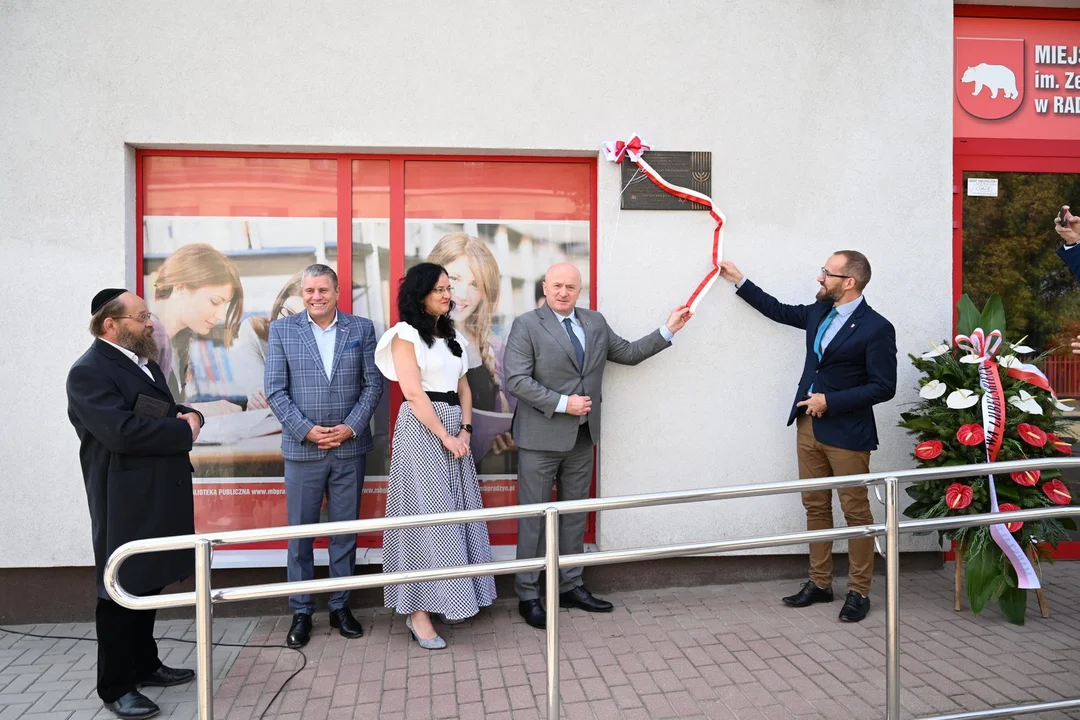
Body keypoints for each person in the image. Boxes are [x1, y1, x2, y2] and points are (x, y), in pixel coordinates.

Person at [504, 262, 691, 629]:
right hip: (540, 440)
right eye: (557, 285)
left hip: (582, 438)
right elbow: (517, 380)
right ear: (545, 287)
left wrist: (668, 329)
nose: (563, 292)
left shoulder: (594, 322)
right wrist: (564, 403)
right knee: (534, 519)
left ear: (580, 290)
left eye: (571, 287)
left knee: (575, 516)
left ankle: (570, 586)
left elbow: (630, 353)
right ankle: (528, 595)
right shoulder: (526, 325)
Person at [718, 251, 896, 623]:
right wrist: (739, 279)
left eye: (827, 273)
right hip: (807, 426)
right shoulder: (818, 312)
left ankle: (859, 591)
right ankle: (820, 582)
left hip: (847, 433)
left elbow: (883, 386)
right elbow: (778, 310)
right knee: (815, 507)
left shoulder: (876, 327)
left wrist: (830, 401)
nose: (819, 278)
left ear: (849, 282)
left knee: (856, 513)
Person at [66, 288, 204, 719]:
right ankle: (116, 686)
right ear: (111, 325)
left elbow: (159, 410)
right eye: (141, 316)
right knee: (119, 589)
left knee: (148, 581)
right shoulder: (89, 371)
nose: (150, 323)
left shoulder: (141, 362)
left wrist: (191, 414)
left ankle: (145, 664)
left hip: (154, 494)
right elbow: (121, 432)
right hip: (123, 499)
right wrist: (184, 431)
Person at [375, 262, 497, 648]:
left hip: (454, 428)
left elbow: (464, 388)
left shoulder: (451, 333)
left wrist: (465, 430)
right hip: (423, 429)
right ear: (420, 294)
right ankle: (418, 611)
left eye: (448, 288)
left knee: (455, 513)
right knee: (426, 517)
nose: (447, 295)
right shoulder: (404, 334)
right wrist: (445, 434)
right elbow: (413, 392)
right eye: (439, 289)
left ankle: (450, 597)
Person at [264, 264, 383, 648]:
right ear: (302, 294)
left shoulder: (361, 329)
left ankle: (340, 606)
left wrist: (351, 427)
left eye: (323, 290)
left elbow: (372, 384)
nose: (316, 297)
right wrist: (305, 430)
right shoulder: (283, 330)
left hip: (349, 448)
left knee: (344, 533)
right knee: (300, 536)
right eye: (309, 291)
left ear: (337, 292)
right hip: (303, 449)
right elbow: (275, 389)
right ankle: (301, 611)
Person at [427, 232, 515, 461]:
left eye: (475, 284)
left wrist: (509, 437)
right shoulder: (413, 338)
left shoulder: (495, 348)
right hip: (432, 460)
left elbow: (512, 414)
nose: (463, 294)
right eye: (454, 279)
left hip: (480, 465)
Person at [149, 243, 245, 416]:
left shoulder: (177, 343)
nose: (221, 316)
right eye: (215, 302)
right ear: (180, 288)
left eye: (225, 305)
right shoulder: (146, 338)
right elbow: (145, 414)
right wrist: (202, 410)